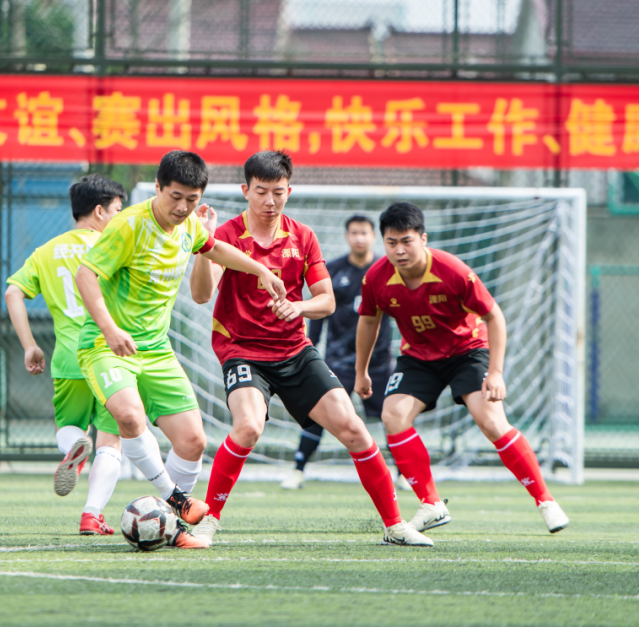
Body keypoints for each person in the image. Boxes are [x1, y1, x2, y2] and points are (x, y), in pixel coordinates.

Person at [188, 152, 432, 548]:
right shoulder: (228, 235)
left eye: (278, 192)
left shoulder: (302, 236)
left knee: (354, 429)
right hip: (243, 351)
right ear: (245, 190)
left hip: (294, 351)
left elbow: (327, 301)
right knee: (248, 427)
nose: (270, 201)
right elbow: (201, 295)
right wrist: (204, 245)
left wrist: (298, 307)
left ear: (290, 191)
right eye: (261, 192)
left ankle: (395, 525)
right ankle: (208, 521)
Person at [74, 150, 287, 550]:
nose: (182, 207)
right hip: (106, 345)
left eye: (191, 199)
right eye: (175, 197)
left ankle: (171, 529)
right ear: (157, 187)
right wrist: (110, 328)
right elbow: (85, 275)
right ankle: (175, 498)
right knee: (129, 416)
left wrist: (260, 269)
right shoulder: (128, 225)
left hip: (156, 349)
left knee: (193, 441)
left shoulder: (189, 225)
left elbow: (214, 249)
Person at [355, 202, 569, 534]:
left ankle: (545, 500)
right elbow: (369, 320)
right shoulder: (376, 278)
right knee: (392, 415)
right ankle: (431, 504)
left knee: (491, 422)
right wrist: (361, 371)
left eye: (407, 241)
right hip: (418, 357)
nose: (399, 250)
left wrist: (495, 372)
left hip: (467, 351)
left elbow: (494, 316)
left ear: (423, 238)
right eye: (391, 242)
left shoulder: (454, 271)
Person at [5, 174, 127, 536]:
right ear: (100, 212)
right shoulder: (113, 247)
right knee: (111, 440)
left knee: (69, 429)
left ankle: (73, 444)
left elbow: (13, 293)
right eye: (118, 210)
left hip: (68, 358)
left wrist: (29, 344)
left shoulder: (46, 250)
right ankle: (92, 514)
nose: (120, 218)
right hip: (109, 355)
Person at [280, 214, 395, 490]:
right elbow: (319, 312)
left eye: (364, 233)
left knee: (393, 417)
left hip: (378, 362)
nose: (359, 238)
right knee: (320, 414)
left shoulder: (387, 271)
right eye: (354, 232)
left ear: (373, 237)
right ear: (347, 236)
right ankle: (298, 470)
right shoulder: (332, 270)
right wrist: (311, 345)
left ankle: (404, 474)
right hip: (339, 361)